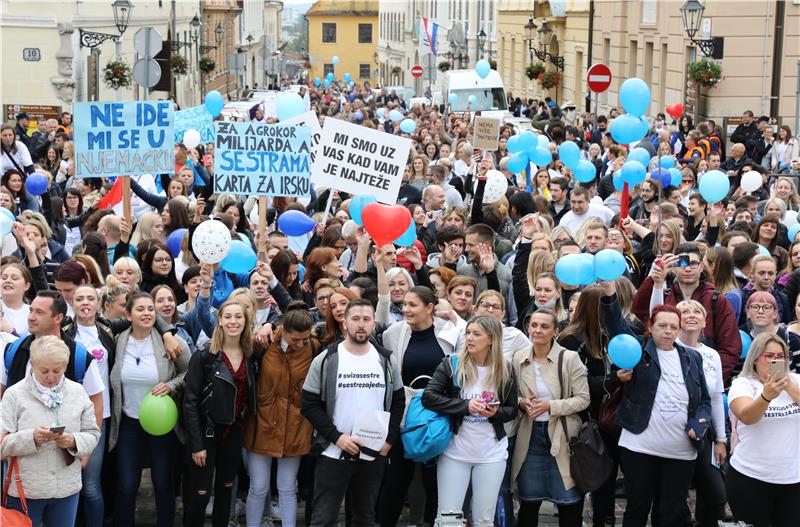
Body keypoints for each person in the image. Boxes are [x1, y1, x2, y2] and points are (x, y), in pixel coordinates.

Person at [601, 294, 711, 527]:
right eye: (662, 325)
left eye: (674, 326)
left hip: (681, 452)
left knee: (671, 513)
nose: (668, 331)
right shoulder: (640, 349)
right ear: (650, 326)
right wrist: (610, 294)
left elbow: (704, 402)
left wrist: (699, 422)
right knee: (637, 509)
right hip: (640, 447)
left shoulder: (692, 358)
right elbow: (617, 328)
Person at [300, 299, 404, 527]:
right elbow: (308, 403)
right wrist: (337, 437)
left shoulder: (386, 360)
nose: (361, 324)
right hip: (333, 453)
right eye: (355, 319)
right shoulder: (327, 359)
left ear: (374, 324)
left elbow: (398, 401)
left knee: (364, 518)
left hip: (372, 454)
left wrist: (389, 440)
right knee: (323, 519)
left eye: (366, 319)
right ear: (345, 323)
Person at [379, 286, 466, 527]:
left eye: (412, 305)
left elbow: (463, 355)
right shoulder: (393, 333)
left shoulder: (448, 331)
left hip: (438, 415)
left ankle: (431, 522)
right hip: (404, 415)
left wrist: (451, 316)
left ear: (430, 308)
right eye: (404, 304)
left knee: (434, 480)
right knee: (396, 479)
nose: (406, 309)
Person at [422, 315, 517, 526]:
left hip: (492, 453)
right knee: (448, 518)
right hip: (455, 451)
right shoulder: (451, 363)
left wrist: (495, 413)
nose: (470, 338)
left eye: (476, 334)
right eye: (468, 333)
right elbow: (429, 396)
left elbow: (512, 410)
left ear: (491, 339)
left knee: (484, 520)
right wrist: (465, 406)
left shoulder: (506, 368)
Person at [108, 292, 191, 527]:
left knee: (163, 482)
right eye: (140, 309)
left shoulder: (172, 341)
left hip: (163, 424)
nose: (146, 314)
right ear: (128, 315)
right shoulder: (118, 340)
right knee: (126, 484)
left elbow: (190, 372)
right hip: (129, 422)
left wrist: (172, 385)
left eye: (150, 309)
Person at [0, 336, 100, 527]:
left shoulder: (78, 392)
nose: (51, 377)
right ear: (32, 364)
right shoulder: (14, 395)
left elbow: (93, 434)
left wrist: (73, 440)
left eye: (57, 371)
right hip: (26, 490)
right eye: (44, 371)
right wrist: (32, 438)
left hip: (66, 489)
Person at [511, 308, 590, 527]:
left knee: (568, 502)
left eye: (544, 326)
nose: (537, 330)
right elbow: (513, 394)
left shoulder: (569, 358)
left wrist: (550, 406)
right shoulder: (519, 357)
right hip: (530, 436)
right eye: (534, 325)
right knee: (528, 501)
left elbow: (583, 399)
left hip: (562, 437)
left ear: (555, 331)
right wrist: (521, 402)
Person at [183, 299, 255, 527]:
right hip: (207, 433)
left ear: (246, 321)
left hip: (233, 432)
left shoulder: (250, 354)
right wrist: (196, 444)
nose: (233, 321)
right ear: (220, 321)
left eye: (238, 317)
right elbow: (190, 402)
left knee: (225, 491)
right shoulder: (205, 356)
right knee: (201, 494)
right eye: (228, 317)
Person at [243, 302, 316, 527]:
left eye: (305, 339)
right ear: (283, 330)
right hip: (262, 422)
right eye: (296, 339)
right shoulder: (264, 344)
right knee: (259, 486)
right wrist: (266, 325)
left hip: (296, 424)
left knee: (287, 486)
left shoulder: (313, 346)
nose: (301, 343)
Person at [727, 332, 800, 527]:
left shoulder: (796, 381)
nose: (776, 360)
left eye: (781, 356)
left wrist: (789, 387)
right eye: (770, 356)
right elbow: (747, 416)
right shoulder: (743, 384)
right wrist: (766, 396)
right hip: (750, 478)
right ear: (755, 359)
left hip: (793, 480)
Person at [674, 300, 727, 527]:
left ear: (705, 321)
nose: (691, 314)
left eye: (697, 311)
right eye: (684, 311)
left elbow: (716, 397)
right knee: (675, 496)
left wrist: (721, 439)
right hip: (673, 429)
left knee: (716, 492)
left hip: (704, 429)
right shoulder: (666, 348)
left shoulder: (712, 354)